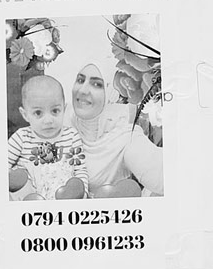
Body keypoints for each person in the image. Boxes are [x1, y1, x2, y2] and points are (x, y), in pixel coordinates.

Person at [15, 56, 163, 199]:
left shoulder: (126, 137)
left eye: (97, 84)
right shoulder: (57, 120)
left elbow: (168, 179)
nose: (83, 90)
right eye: (80, 80)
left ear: (109, 92)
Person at [6, 74, 87, 200]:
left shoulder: (71, 136)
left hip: (64, 200)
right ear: (25, 114)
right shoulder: (21, 138)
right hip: (30, 204)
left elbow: (80, 170)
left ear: (63, 109)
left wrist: (83, 194)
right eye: (38, 113)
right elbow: (1, 165)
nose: (48, 120)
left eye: (55, 111)